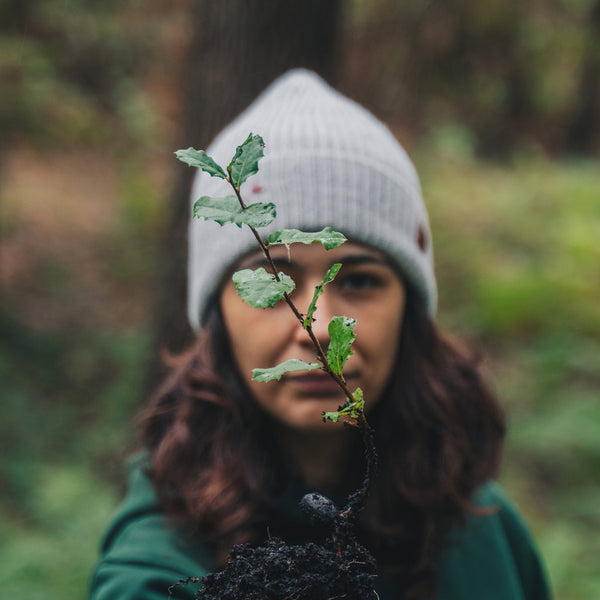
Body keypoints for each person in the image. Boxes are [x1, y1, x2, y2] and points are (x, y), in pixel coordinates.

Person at [88, 69, 551, 600]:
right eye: (269, 282)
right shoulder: (158, 563)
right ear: (217, 314)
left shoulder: (487, 534)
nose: (319, 327)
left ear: (410, 307)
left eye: (358, 279)